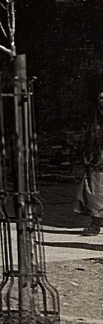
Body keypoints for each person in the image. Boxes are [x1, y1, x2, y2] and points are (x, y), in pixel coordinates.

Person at [75, 89, 103, 236]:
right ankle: (95, 223)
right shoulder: (93, 119)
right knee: (94, 191)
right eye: (100, 98)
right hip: (98, 158)